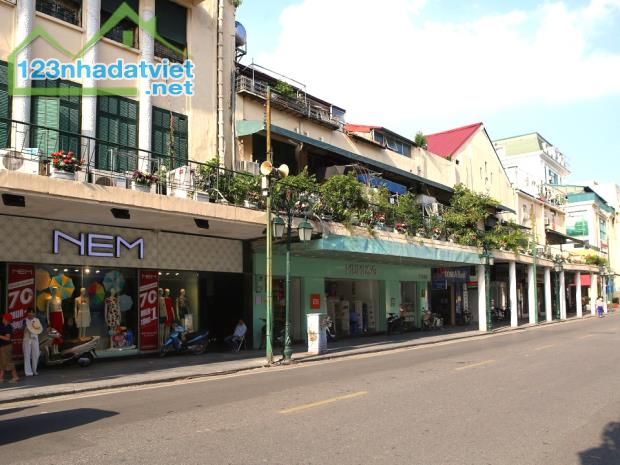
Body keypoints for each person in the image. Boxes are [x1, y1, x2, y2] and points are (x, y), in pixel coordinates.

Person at [0, 313, 19, 383]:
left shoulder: (8, 327)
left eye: (3, 318)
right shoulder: (2, 325)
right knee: (2, 362)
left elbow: (7, 338)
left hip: (6, 346)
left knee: (8, 362)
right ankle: (1, 378)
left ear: (6, 319)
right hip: (2, 346)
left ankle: (15, 376)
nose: (2, 319)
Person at [23, 308, 42, 377]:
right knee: (27, 355)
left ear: (34, 313)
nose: (31, 314)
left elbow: (39, 329)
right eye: (29, 312)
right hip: (27, 339)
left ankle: (34, 370)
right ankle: (28, 372)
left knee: (36, 354)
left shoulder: (37, 320)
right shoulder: (25, 320)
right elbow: (22, 329)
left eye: (32, 312)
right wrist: (26, 327)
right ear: (27, 313)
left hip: (34, 339)